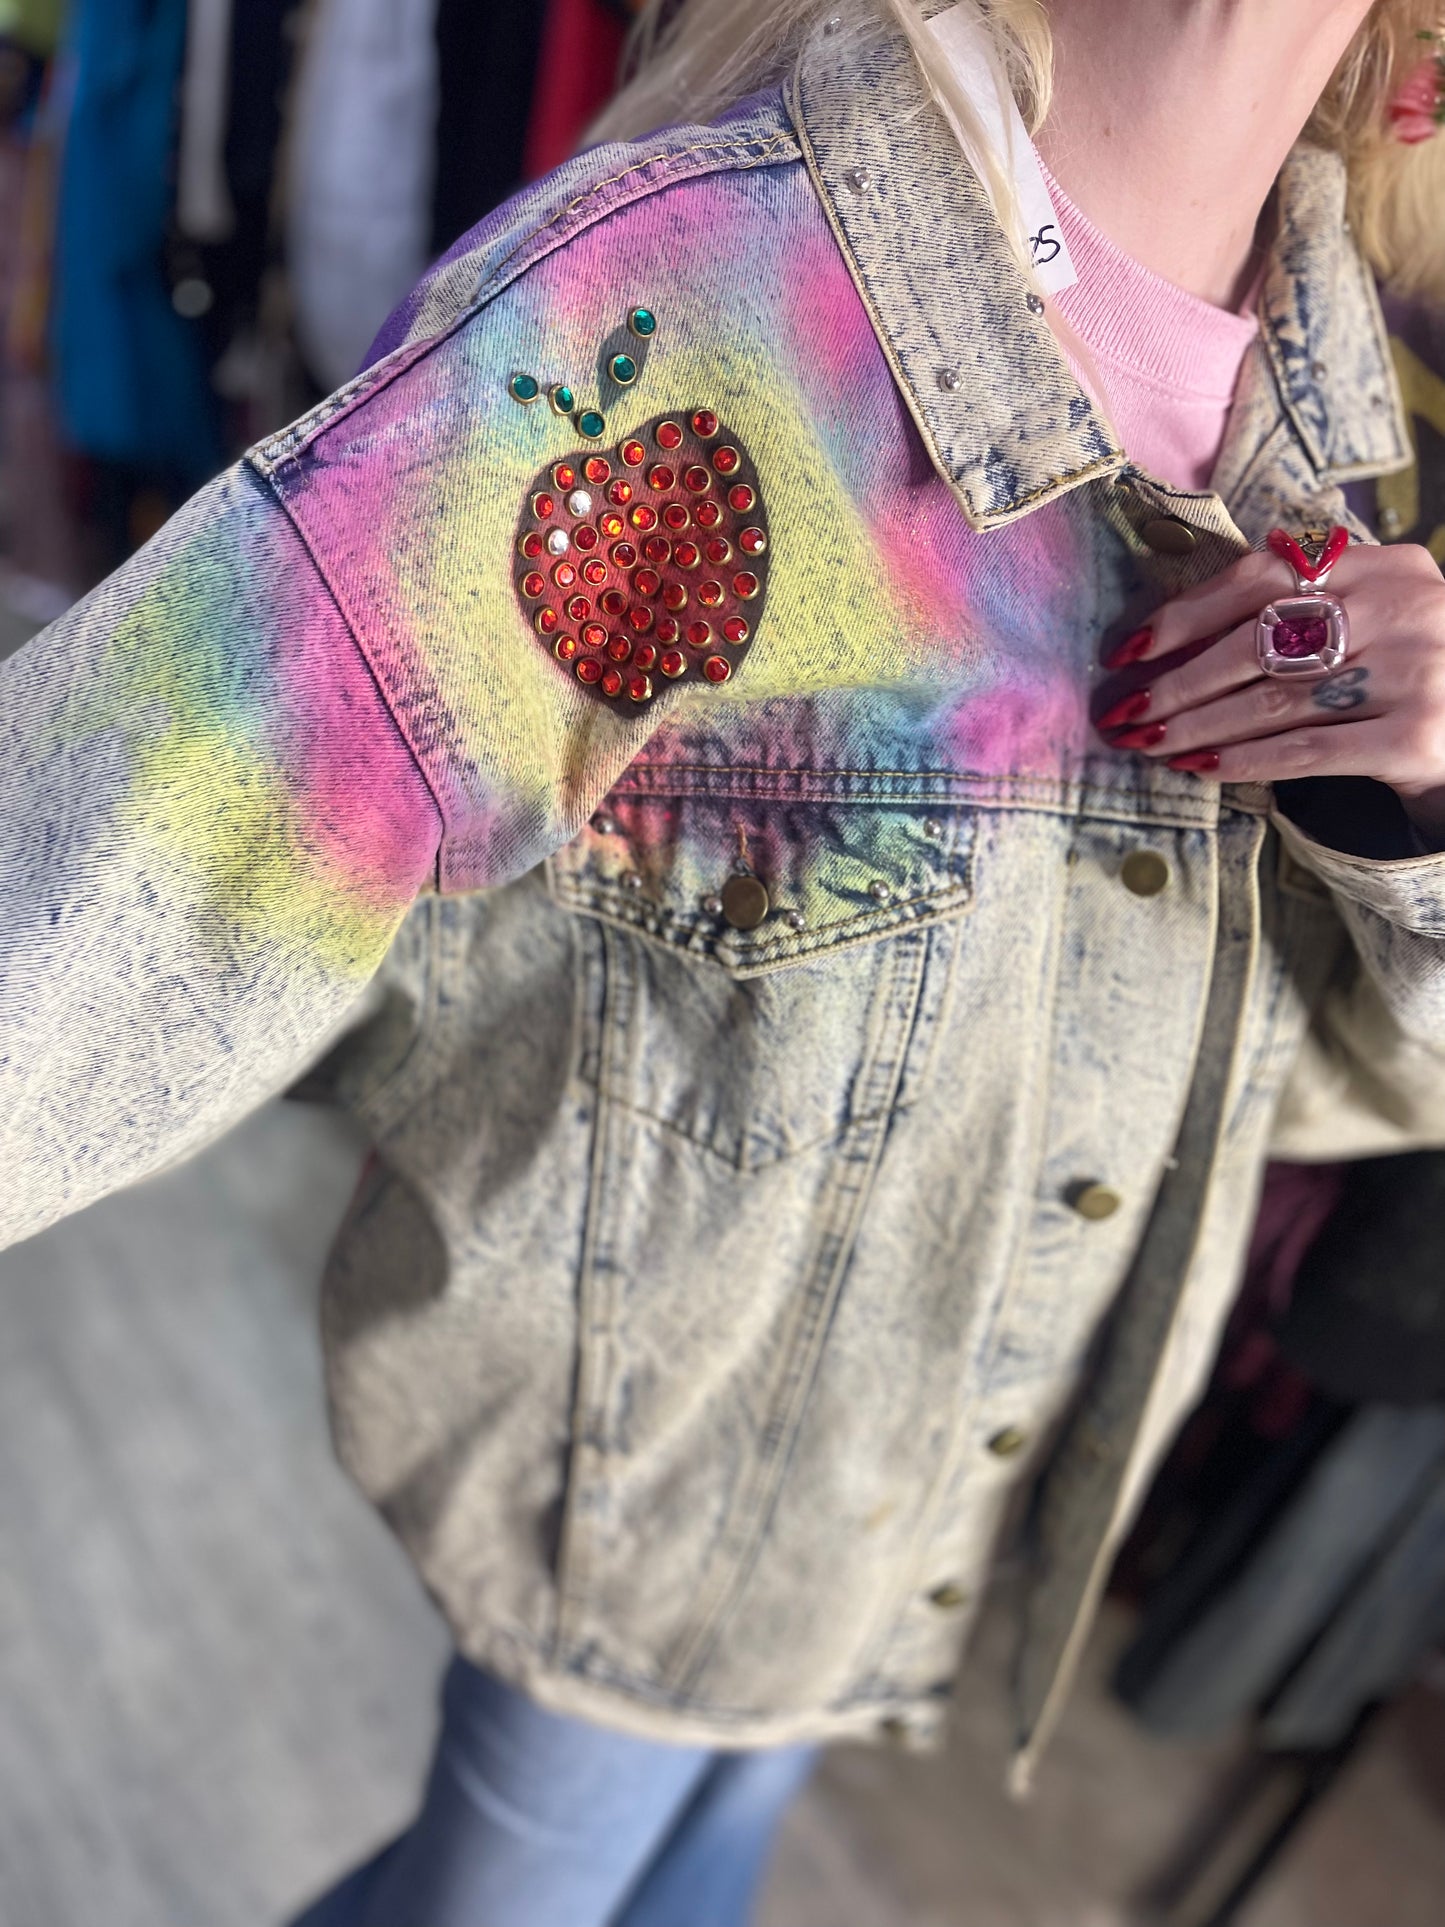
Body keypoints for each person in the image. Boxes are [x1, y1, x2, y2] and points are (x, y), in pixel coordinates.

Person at [6, 1, 1445, 1921]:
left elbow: (1351, 1084)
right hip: (648, 1502)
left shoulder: (1325, 430)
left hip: (918, 1515)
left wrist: (1410, 818)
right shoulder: (695, 319)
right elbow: (140, 868)